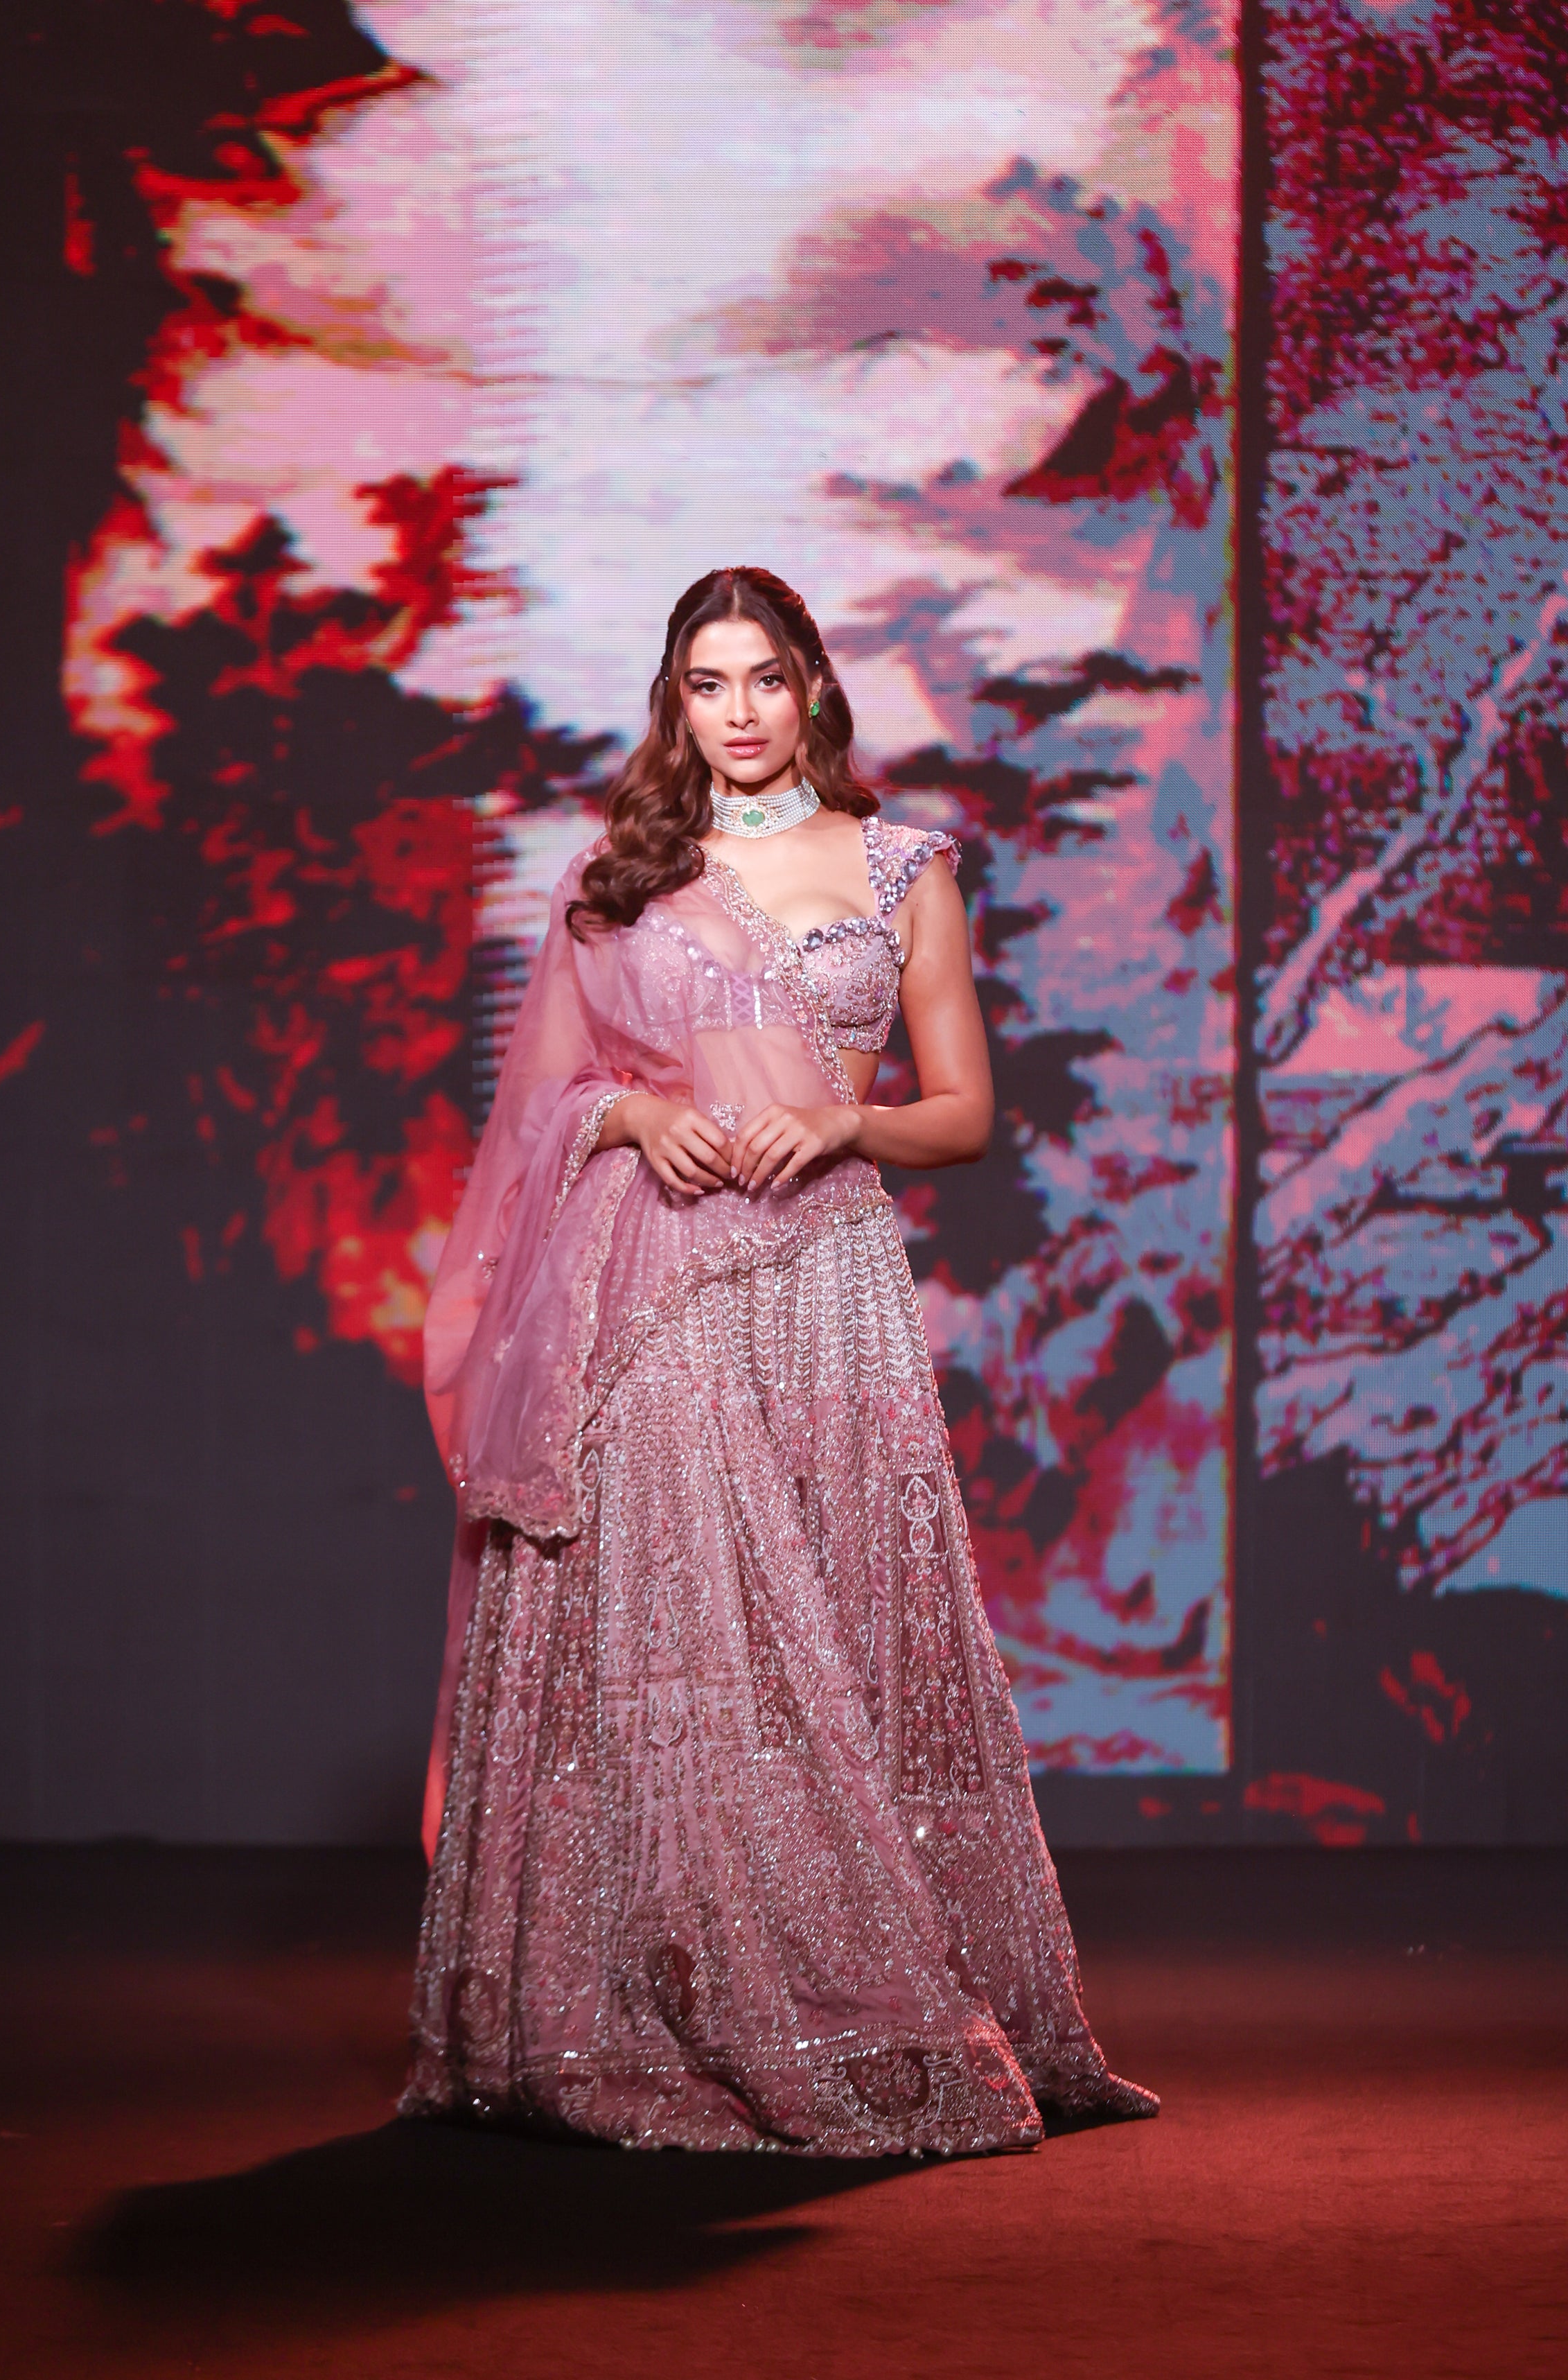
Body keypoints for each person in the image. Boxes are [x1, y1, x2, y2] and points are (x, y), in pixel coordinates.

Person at [403, 567, 1156, 2153]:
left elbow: (964, 1113)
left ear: (812, 684)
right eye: (706, 683)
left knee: (841, 1620)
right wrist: (634, 1111)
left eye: (763, 678)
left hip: (829, 1289)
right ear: (674, 703)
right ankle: (640, 2002)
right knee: (683, 1637)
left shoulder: (903, 868)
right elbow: (541, 1100)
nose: (737, 712)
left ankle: (857, 1990)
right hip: (651, 1286)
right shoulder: (619, 876)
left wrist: (841, 1121)